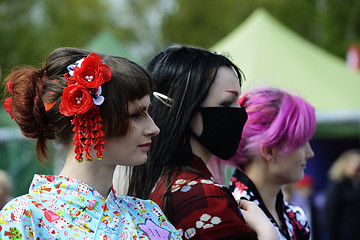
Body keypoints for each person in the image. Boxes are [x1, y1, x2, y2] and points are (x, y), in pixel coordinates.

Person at [0, 47, 181, 239]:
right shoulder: (24, 218)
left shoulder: (148, 216)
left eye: (148, 113)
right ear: (87, 119)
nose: (154, 128)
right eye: (135, 115)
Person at [127, 44, 278, 240]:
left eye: (237, 102)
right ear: (184, 110)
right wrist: (268, 233)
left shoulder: (166, 186)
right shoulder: (202, 198)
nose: (240, 114)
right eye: (226, 103)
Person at [215, 87, 316, 240]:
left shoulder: (295, 217)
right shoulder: (230, 217)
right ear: (269, 151)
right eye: (301, 143)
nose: (310, 153)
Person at [325, 149, 360, 240]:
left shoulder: (356, 184)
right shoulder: (338, 183)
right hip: (343, 235)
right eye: (354, 162)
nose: (357, 165)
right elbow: (331, 212)